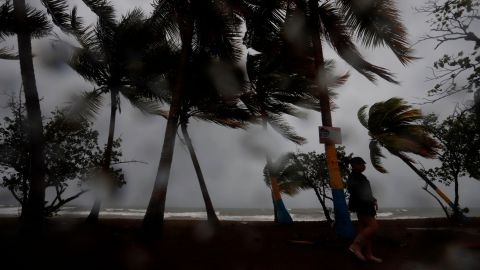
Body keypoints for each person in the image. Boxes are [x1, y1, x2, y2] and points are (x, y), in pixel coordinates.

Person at [346, 157, 382, 263]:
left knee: (365, 231)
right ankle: (355, 245)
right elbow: (359, 193)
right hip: (363, 206)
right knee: (374, 227)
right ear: (354, 165)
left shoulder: (359, 177)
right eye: (361, 164)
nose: (364, 166)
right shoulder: (353, 178)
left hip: (364, 205)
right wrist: (370, 200)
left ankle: (369, 254)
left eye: (364, 164)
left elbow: (366, 192)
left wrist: (373, 199)